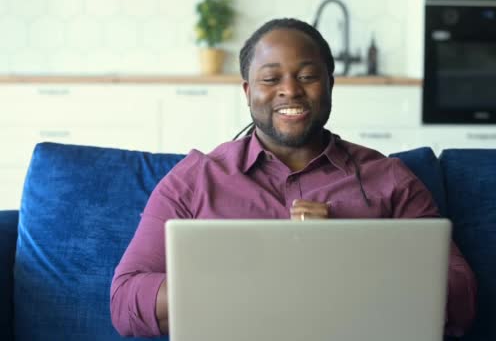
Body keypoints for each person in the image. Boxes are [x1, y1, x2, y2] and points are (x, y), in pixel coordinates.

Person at [110, 18, 477, 338]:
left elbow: (462, 297)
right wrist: (237, 281)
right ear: (247, 92)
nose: (290, 90)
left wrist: (345, 255)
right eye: (270, 78)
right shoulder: (195, 179)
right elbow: (125, 301)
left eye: (307, 76)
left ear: (330, 85)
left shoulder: (390, 179)